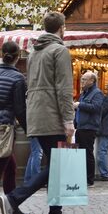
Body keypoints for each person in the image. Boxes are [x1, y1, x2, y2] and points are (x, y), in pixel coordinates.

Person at [2, 12, 75, 214]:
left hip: (36, 115)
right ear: (62, 28)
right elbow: (64, 89)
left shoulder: (34, 51)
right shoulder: (60, 51)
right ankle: (14, 198)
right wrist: (68, 119)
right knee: (58, 166)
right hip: (53, 116)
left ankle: (55, 210)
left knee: (56, 164)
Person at [0, 41, 27, 195]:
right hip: (4, 129)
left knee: (11, 167)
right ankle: (11, 204)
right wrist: (29, 129)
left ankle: (12, 204)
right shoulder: (18, 78)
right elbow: (20, 109)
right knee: (5, 166)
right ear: (17, 57)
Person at [74, 71, 104, 187]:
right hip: (81, 127)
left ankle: (89, 180)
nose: (82, 81)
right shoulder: (84, 93)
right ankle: (81, 177)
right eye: (82, 79)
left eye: (84, 79)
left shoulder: (97, 93)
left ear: (92, 81)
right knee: (79, 154)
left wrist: (79, 105)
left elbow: (96, 108)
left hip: (89, 127)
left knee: (87, 153)